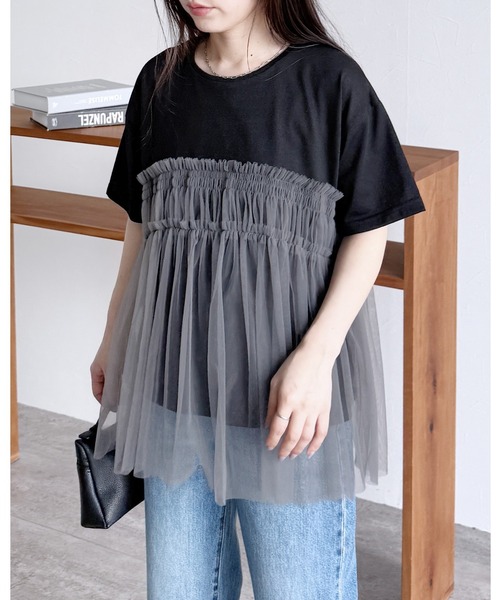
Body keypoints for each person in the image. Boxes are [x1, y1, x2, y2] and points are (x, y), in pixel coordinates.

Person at [90, 1, 425, 598]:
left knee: (298, 589)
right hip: (174, 387)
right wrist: (113, 337)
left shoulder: (330, 81)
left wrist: (316, 360)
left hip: (285, 404)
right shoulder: (159, 82)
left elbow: (369, 229)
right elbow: (140, 227)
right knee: (179, 589)